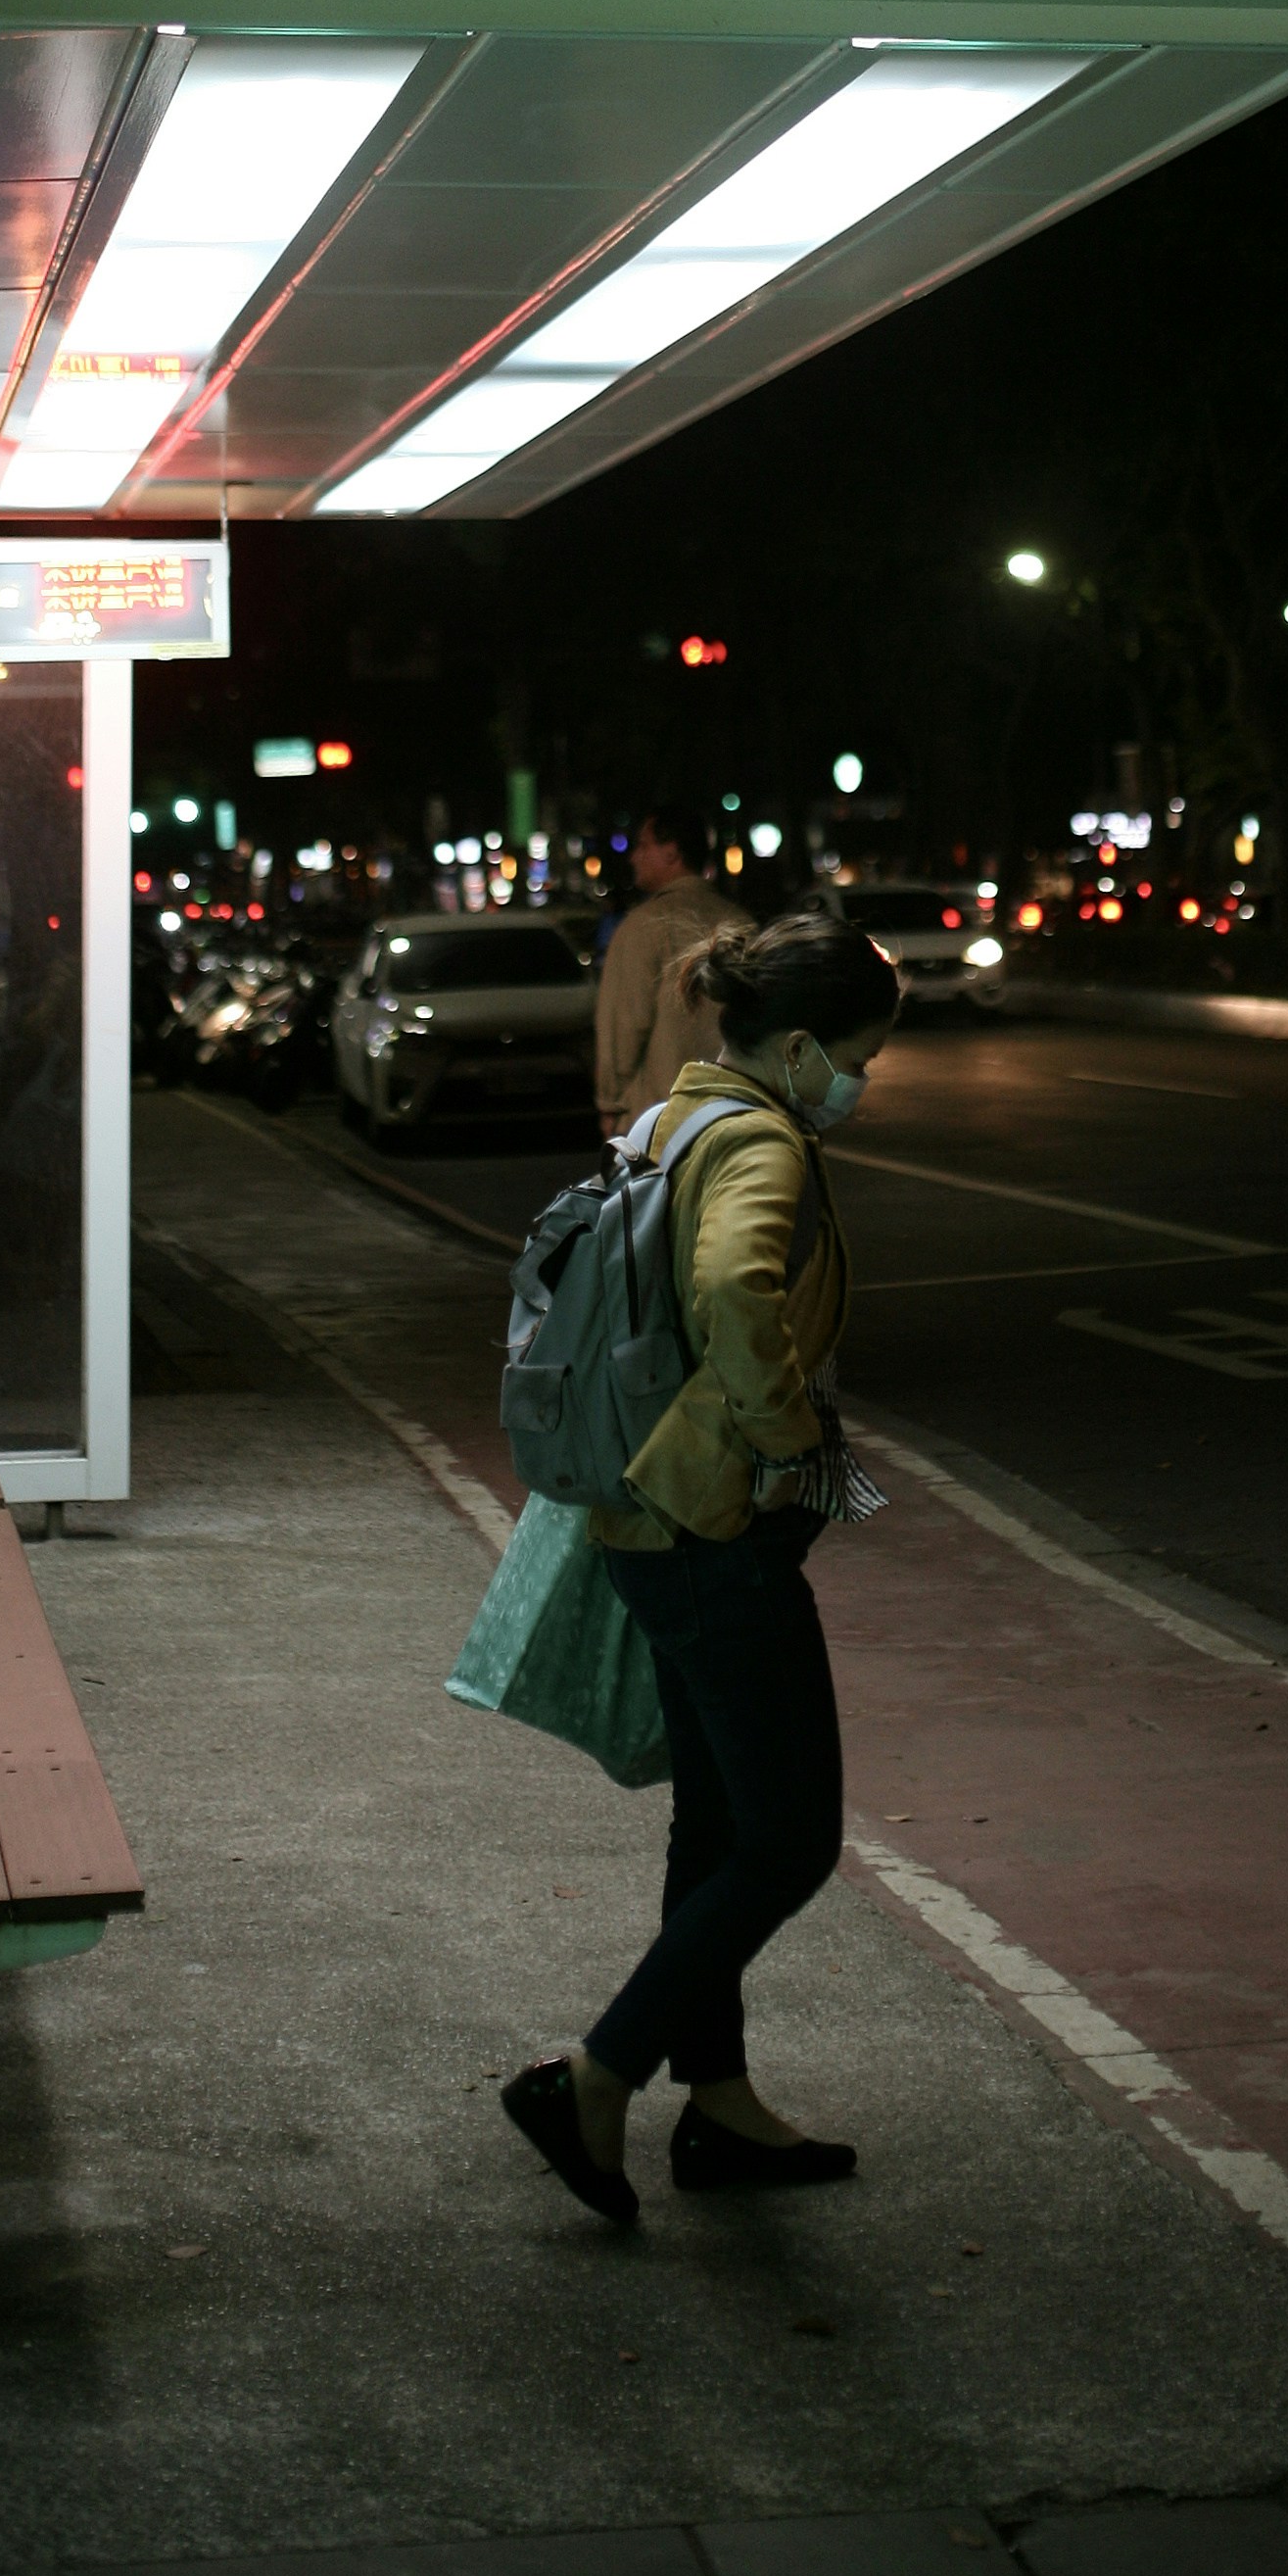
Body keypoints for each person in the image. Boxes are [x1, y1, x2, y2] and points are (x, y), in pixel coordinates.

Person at [502, 902, 899, 2224]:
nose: (861, 1080)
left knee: (719, 1820)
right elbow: (734, 1287)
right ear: (795, 1047)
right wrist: (790, 1445)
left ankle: (717, 2102)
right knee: (790, 1842)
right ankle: (600, 2076)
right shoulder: (762, 1146)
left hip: (643, 1519)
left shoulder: (672, 1117)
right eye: (857, 1054)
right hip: (715, 1525)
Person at [592, 803, 734, 1142]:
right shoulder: (739, 923)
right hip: (731, 1115)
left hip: (658, 1120)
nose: (633, 857)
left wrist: (610, 1104)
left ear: (671, 852)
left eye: (643, 846)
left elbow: (623, 1025)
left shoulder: (643, 927)